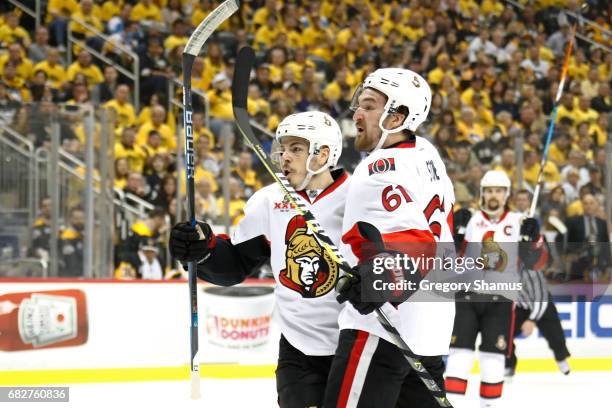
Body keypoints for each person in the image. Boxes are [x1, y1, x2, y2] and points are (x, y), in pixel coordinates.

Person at [169, 111, 348, 408]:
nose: (284, 157)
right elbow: (235, 266)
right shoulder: (270, 200)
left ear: (323, 154)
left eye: (296, 149)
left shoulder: (357, 196)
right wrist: (204, 251)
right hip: (297, 349)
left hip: (355, 345)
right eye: (283, 148)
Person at [324, 68, 456, 408]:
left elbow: (414, 243)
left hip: (383, 329)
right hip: (429, 334)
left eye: (368, 105)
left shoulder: (378, 168)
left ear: (397, 117)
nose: (356, 113)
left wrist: (380, 279)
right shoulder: (426, 153)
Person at [444, 170, 547, 408]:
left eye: (499, 191)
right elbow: (449, 258)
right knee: (460, 356)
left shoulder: (520, 222)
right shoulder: (467, 219)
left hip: (500, 300)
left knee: (493, 359)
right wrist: (453, 236)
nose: (494, 196)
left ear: (506, 194)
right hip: (467, 297)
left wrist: (535, 240)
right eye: (489, 190)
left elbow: (537, 262)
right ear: (482, 193)